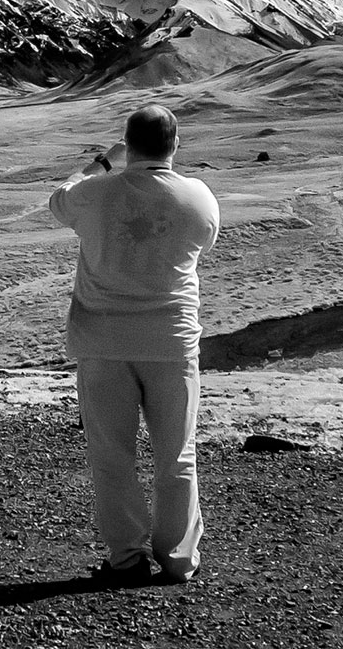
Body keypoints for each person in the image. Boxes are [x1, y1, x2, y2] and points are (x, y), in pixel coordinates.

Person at [49, 104, 221, 586]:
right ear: (176, 144)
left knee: (112, 455)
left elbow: (57, 200)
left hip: (102, 343)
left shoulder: (94, 193)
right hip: (171, 342)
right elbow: (203, 245)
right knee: (177, 455)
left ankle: (126, 558)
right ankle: (179, 559)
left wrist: (101, 163)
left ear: (127, 143)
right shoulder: (198, 197)